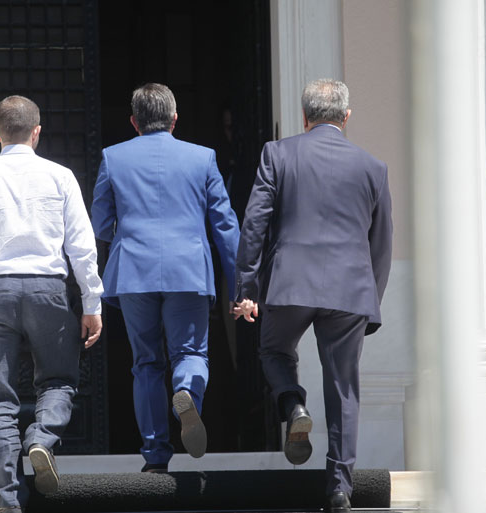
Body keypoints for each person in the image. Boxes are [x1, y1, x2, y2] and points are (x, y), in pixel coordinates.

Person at [232, 79, 392, 513]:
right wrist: (371, 301)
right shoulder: (373, 167)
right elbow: (381, 244)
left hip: (290, 282)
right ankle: (339, 489)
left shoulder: (277, 154)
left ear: (304, 117)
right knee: (343, 387)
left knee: (274, 351)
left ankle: (293, 403)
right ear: (347, 117)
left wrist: (247, 289)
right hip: (350, 289)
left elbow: (254, 223)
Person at [0, 95, 103, 513]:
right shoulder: (60, 177)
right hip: (49, 289)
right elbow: (82, 247)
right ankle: (42, 439)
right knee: (59, 380)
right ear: (37, 132)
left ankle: (10, 500)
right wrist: (91, 303)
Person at [91, 83, 240, 472]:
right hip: (188, 271)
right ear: (175, 120)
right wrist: (240, 287)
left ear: (133, 122)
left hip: (133, 272)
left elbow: (100, 223)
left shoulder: (113, 157)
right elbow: (225, 227)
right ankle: (187, 391)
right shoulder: (203, 158)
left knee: (146, 363)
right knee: (190, 354)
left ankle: (156, 456)